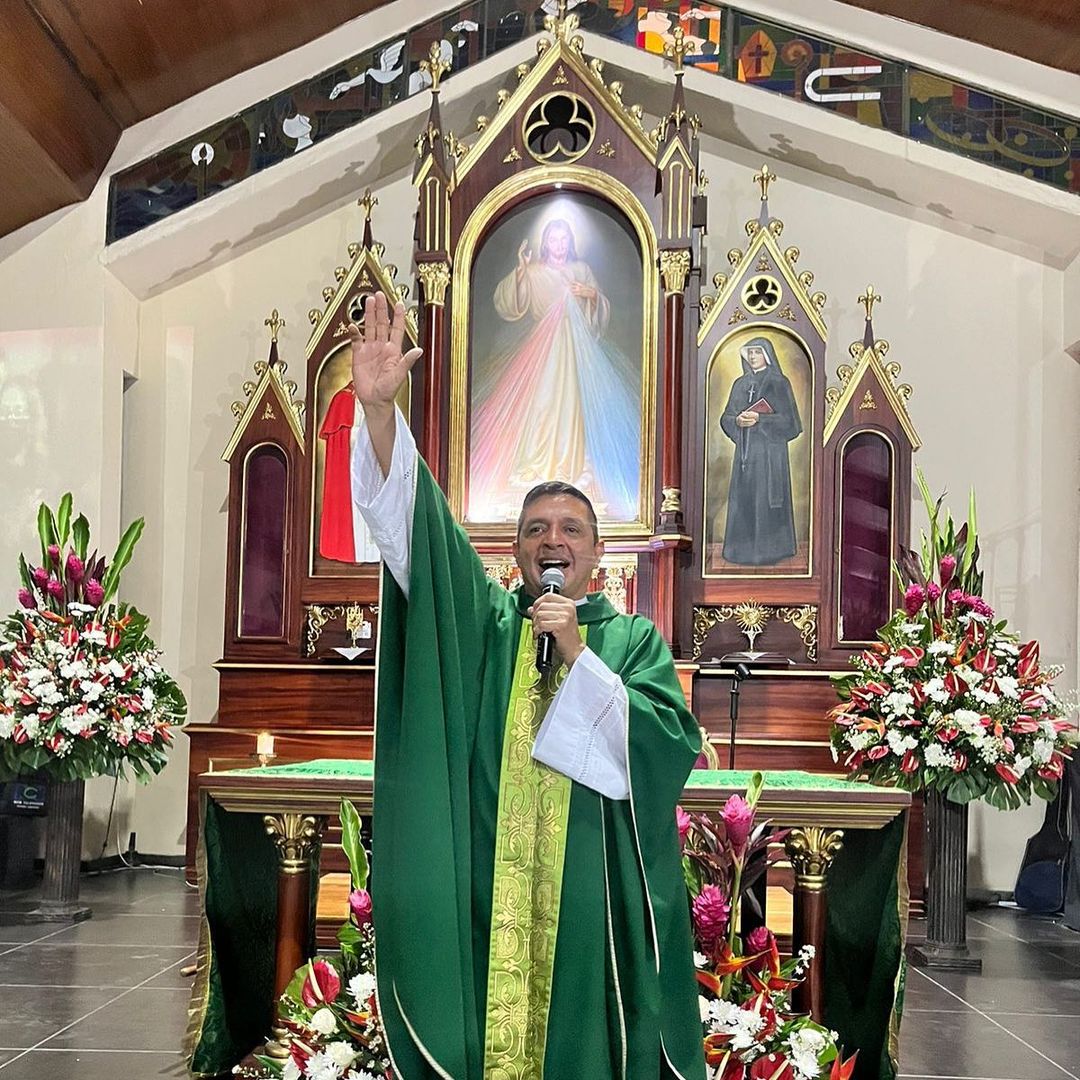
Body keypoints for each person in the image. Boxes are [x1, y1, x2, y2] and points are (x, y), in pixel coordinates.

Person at [348, 291, 705, 1080]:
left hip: (591, 888)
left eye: (570, 529)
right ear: (513, 551)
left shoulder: (629, 638)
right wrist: (378, 417)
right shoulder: (486, 623)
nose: (553, 540)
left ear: (597, 550)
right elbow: (420, 537)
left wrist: (578, 652)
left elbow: (666, 745)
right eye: (536, 530)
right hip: (490, 875)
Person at [469, 217, 640, 523]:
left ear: (569, 242)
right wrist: (521, 271)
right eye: (553, 239)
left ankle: (570, 467)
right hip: (543, 350)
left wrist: (591, 295)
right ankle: (537, 464)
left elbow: (600, 310)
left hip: (576, 351)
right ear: (545, 243)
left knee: (572, 409)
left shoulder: (582, 270)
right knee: (541, 406)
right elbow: (510, 304)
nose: (558, 245)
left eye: (563, 239)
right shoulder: (534, 272)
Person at [717, 336, 802, 566]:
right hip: (745, 456)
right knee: (745, 500)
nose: (753, 357)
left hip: (770, 455)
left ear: (767, 354)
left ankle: (773, 551)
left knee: (766, 500)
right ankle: (739, 552)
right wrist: (738, 421)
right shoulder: (740, 384)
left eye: (757, 352)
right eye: (750, 353)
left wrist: (761, 420)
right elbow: (726, 417)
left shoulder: (779, 382)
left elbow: (792, 423)